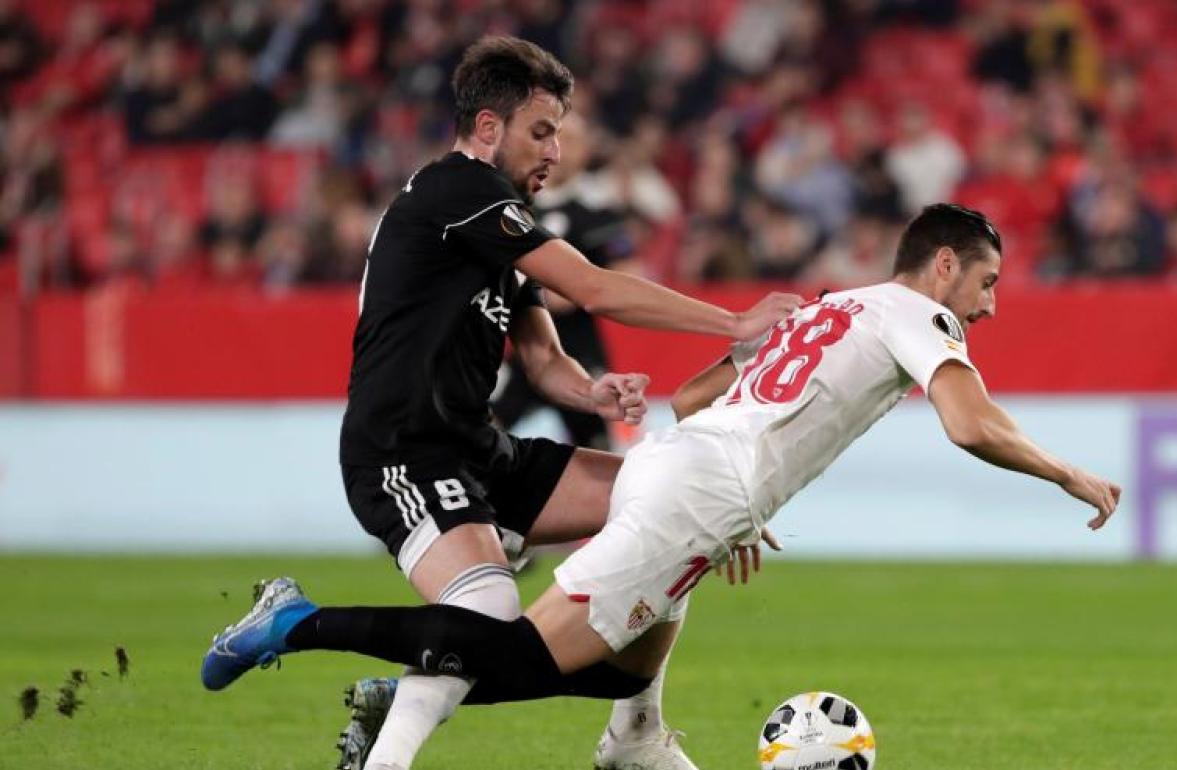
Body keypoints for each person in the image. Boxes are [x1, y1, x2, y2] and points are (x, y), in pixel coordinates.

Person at [204, 204, 1120, 761]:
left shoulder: (838, 303)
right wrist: (1067, 472)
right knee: (518, 653)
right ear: (944, 265)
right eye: (986, 282)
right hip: (700, 487)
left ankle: (611, 735)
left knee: (622, 670)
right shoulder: (921, 314)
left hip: (686, 468)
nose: (989, 305)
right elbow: (969, 423)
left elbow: (692, 397)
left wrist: (741, 496)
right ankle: (302, 624)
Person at [211, 35, 799, 770]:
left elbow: (543, 358)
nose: (555, 150)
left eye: (558, 133)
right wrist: (737, 323)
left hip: (480, 448)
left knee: (673, 502)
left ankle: (636, 731)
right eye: (541, 131)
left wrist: (592, 390)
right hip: (403, 452)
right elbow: (594, 288)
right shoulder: (455, 191)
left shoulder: (495, 225)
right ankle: (298, 626)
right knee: (487, 610)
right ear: (488, 127)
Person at [491, 111, 635, 451]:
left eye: (570, 140)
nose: (559, 148)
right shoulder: (515, 205)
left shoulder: (597, 211)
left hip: (578, 350)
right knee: (485, 429)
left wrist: (576, 290)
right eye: (550, 137)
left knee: (598, 447)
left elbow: (629, 271)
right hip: (525, 350)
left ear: (585, 150)